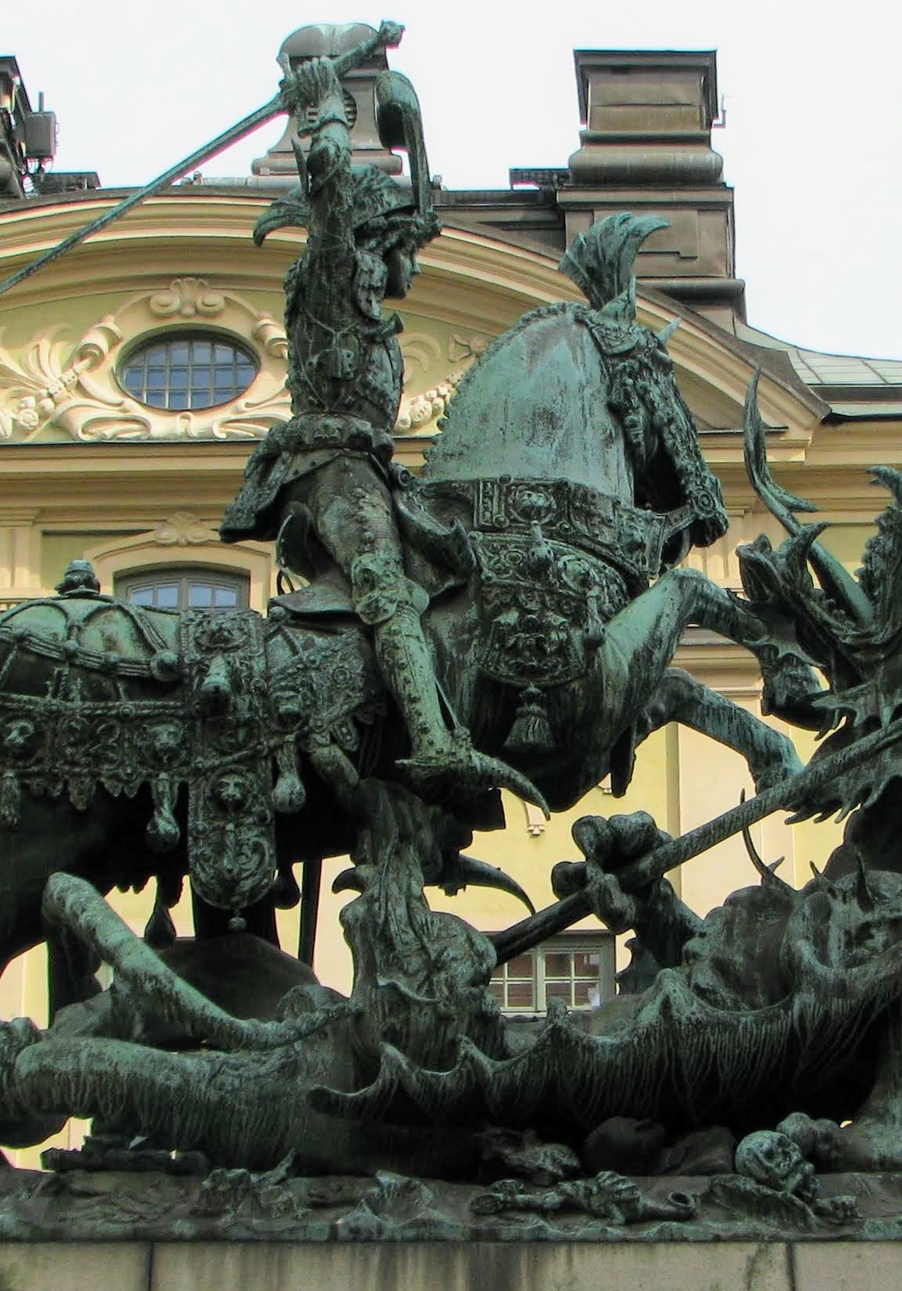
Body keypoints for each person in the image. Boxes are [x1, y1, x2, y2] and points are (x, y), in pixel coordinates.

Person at [224, 50, 538, 806]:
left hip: (367, 472)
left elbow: (420, 216)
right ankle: (430, 739)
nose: (413, 268)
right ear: (371, 247)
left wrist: (413, 131)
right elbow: (332, 191)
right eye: (401, 253)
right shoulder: (332, 280)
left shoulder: (366, 308)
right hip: (327, 469)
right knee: (385, 586)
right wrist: (327, 111)